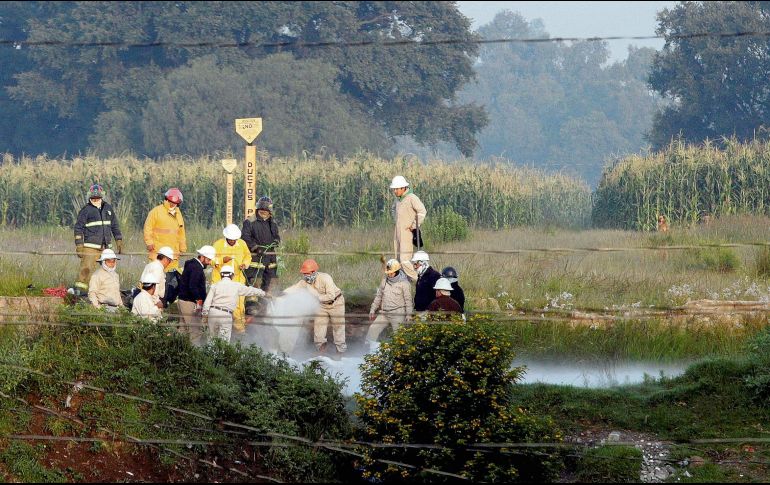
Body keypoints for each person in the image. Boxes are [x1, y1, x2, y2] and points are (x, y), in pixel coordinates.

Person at [285, 259, 347, 355]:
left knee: (338, 328)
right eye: (304, 274)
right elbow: (293, 288)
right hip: (321, 306)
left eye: (307, 273)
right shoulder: (304, 282)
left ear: (314, 272)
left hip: (336, 303)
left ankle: (340, 352)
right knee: (318, 330)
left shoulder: (326, 278)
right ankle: (321, 351)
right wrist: (282, 293)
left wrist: (317, 298)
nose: (305, 276)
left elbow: (331, 296)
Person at [71, 184, 123, 296]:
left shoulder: (108, 208)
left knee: (108, 271)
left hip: (106, 247)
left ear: (102, 197)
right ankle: (80, 294)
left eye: (98, 198)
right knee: (86, 270)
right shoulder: (86, 210)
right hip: (90, 247)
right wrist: (79, 245)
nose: (96, 200)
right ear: (89, 197)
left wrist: (118, 239)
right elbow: (78, 228)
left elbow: (115, 226)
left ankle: (104, 293)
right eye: (93, 198)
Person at [202, 265, 266, 344]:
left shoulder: (214, 286)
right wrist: (263, 293)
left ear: (221, 275)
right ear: (232, 275)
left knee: (211, 339)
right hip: (226, 314)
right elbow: (250, 290)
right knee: (223, 341)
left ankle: (209, 355)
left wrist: (205, 314)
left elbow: (207, 302)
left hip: (213, 313)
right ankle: (220, 355)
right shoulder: (236, 286)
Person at [366, 259, 413, 351]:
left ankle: (400, 355)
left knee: (399, 336)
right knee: (372, 329)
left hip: (398, 313)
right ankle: (367, 350)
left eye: (391, 273)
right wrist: (372, 309)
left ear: (396, 271)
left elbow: (408, 300)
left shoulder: (404, 284)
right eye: (388, 273)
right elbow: (378, 296)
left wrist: (409, 314)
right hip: (384, 313)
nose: (389, 274)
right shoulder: (384, 282)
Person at [211, 224, 252, 332]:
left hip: (238, 280)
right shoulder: (218, 245)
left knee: (239, 307)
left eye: (235, 239)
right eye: (231, 239)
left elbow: (248, 256)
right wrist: (222, 260)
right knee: (220, 307)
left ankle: (240, 331)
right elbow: (210, 260)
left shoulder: (242, 244)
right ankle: (217, 333)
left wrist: (245, 264)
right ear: (226, 237)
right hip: (220, 281)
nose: (233, 241)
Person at [177, 245, 216, 346]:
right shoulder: (197, 268)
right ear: (202, 257)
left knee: (183, 330)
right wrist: (199, 300)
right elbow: (193, 285)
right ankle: (194, 356)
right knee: (195, 331)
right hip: (189, 303)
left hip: (182, 301)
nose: (209, 262)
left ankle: (178, 353)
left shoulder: (190, 264)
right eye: (208, 259)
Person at [390, 175, 427, 281]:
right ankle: (405, 283)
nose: (395, 191)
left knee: (404, 260)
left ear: (403, 188)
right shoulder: (398, 200)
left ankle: (419, 280)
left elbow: (422, 211)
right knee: (398, 259)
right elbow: (393, 210)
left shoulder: (412, 198)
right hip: (397, 233)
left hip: (407, 233)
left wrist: (414, 225)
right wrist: (396, 220)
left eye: (397, 189)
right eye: (394, 189)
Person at [242, 196, 281, 293]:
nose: (264, 211)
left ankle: (267, 306)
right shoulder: (249, 222)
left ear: (270, 211)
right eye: (262, 209)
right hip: (256, 259)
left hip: (270, 259)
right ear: (258, 208)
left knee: (270, 286)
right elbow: (245, 237)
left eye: (266, 209)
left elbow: (276, 235)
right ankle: (252, 307)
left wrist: (276, 240)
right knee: (255, 286)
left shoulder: (273, 223)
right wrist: (255, 248)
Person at [143, 188, 186, 272]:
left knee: (171, 280)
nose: (173, 205)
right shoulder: (156, 212)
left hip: (173, 255)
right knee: (153, 277)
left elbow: (181, 232)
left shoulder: (178, 213)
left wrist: (182, 247)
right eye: (171, 202)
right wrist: (149, 242)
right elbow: (148, 228)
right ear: (167, 199)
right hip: (158, 254)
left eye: (175, 203)